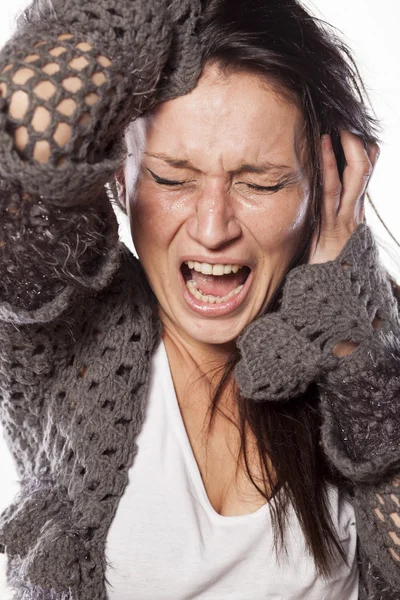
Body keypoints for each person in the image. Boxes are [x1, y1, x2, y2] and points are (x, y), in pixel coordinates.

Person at [0, 0, 399, 598]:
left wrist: (349, 342)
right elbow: (23, 139)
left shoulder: (363, 345)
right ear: (119, 176)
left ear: (325, 184)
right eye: (171, 177)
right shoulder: (67, 333)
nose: (213, 227)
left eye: (258, 181)